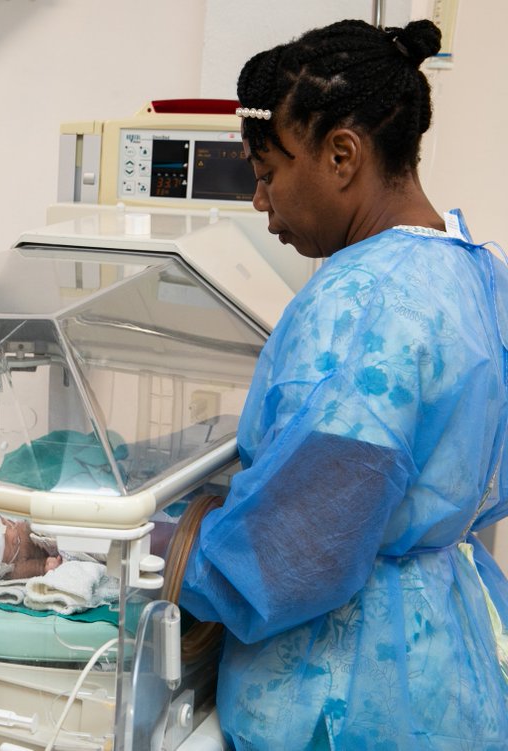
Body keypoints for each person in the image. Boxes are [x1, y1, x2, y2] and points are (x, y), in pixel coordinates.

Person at [179, 19, 508, 748]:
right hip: (451, 660)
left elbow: (297, 549)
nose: (260, 202)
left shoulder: (361, 303)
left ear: (341, 155)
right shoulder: (477, 272)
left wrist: (171, 556)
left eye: (267, 175)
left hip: (349, 693)